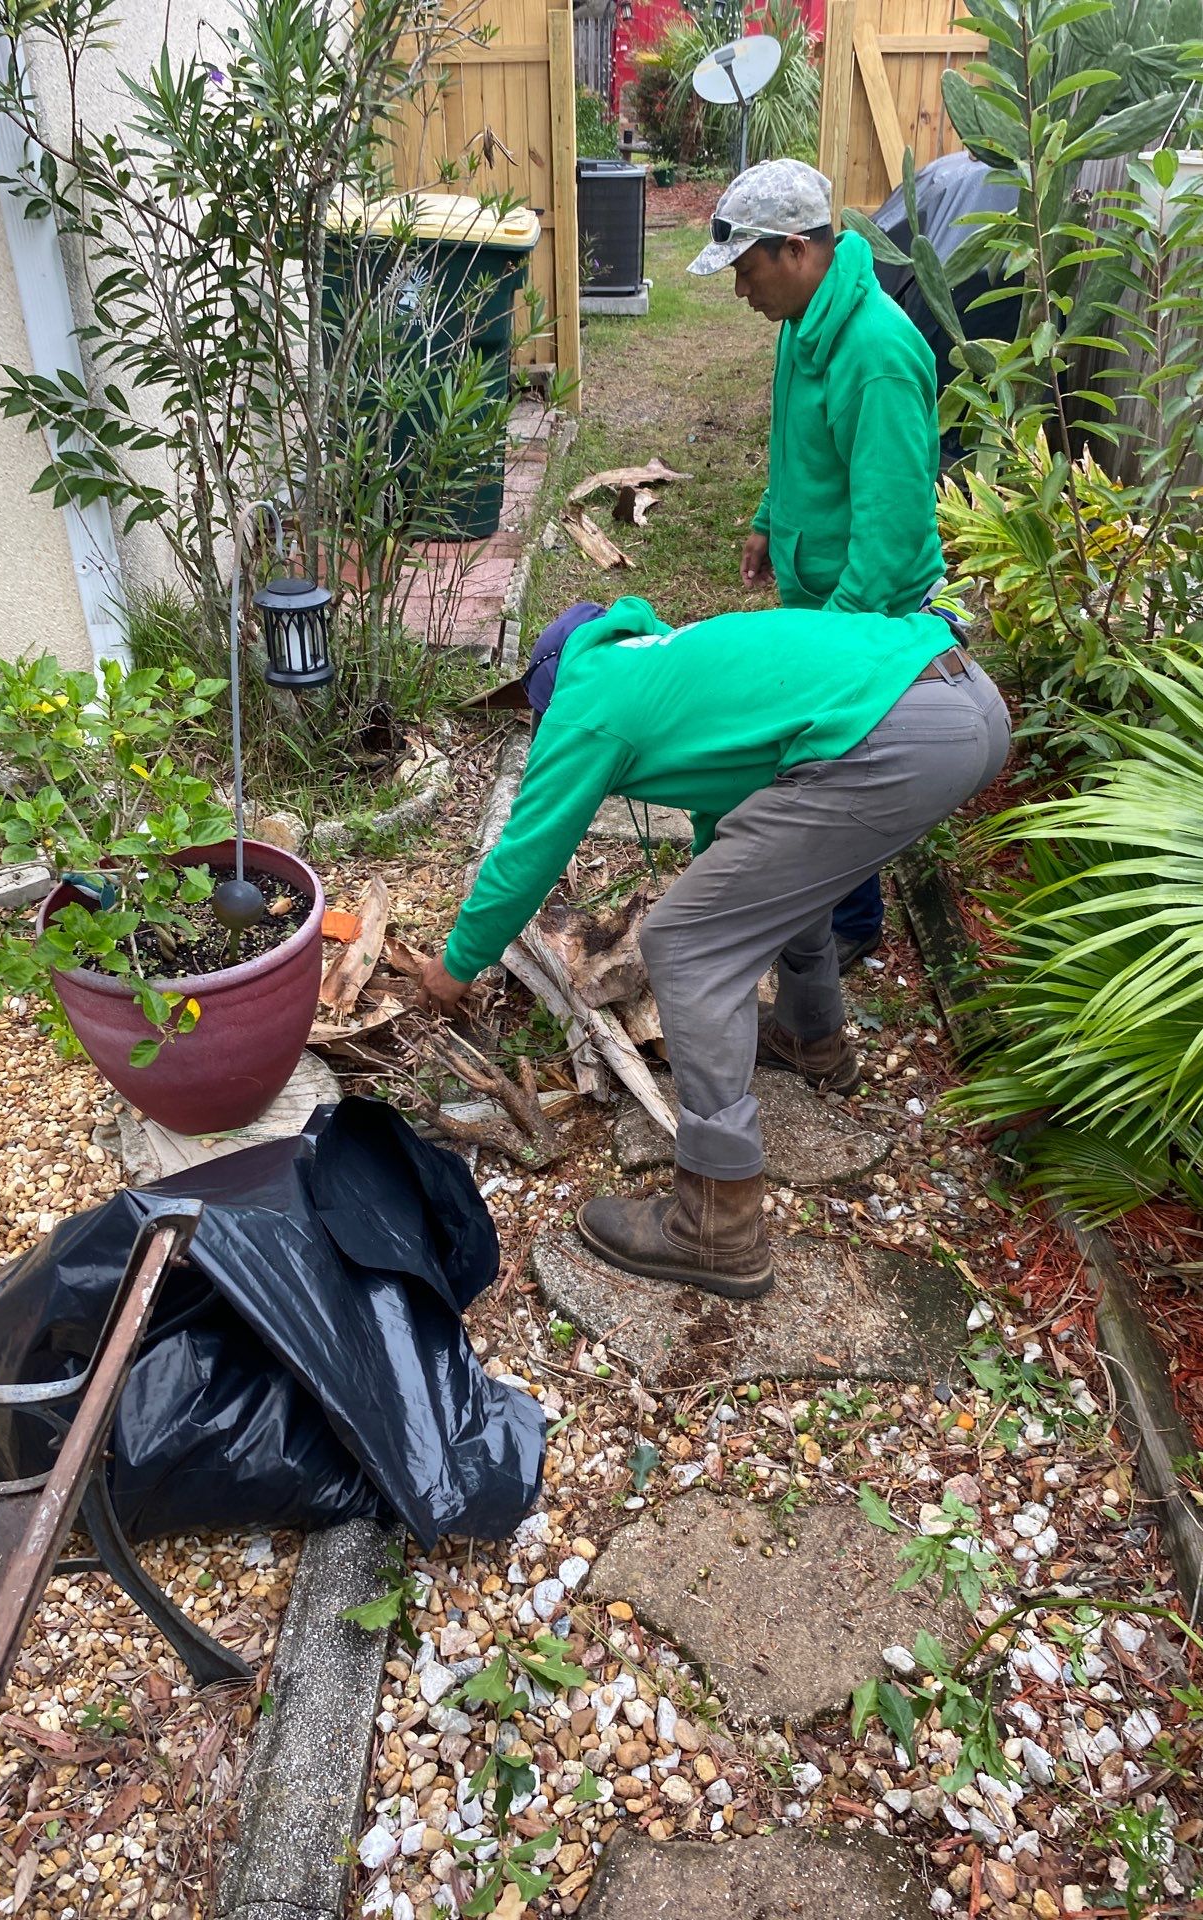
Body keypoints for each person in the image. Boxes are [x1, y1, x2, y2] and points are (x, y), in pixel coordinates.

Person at [418, 597, 1010, 1300]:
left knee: (685, 944)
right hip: (965, 698)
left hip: (900, 737)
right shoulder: (676, 656)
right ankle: (810, 1039)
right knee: (783, 875)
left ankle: (715, 1223)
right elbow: (737, 807)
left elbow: (525, 856)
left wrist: (456, 965)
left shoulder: (585, 702)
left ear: (546, 692)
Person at [688, 158, 950, 973]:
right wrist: (770, 521)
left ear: (796, 250)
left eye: (746, 269)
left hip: (867, 611)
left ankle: (851, 924)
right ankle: (817, 907)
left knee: (841, 768)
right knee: (809, 757)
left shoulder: (877, 354)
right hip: (818, 590)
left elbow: (893, 524)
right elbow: (792, 440)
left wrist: (834, 649)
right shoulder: (805, 325)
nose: (740, 291)